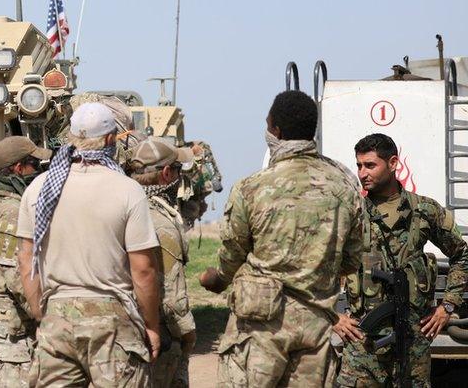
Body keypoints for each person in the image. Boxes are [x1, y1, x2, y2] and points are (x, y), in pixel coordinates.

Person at [199, 90, 363, 387]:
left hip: (261, 326)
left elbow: (233, 254)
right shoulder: (344, 183)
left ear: (276, 131)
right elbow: (351, 259)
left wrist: (217, 279)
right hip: (316, 325)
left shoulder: (252, 187)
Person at [16, 102, 162, 387]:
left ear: (71, 138)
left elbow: (26, 261)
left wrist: (41, 315)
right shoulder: (128, 191)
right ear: (110, 140)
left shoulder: (38, 189)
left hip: (57, 321)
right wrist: (152, 325)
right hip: (114, 323)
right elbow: (143, 270)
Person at [335, 133, 468, 387]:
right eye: (359, 165)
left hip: (412, 344)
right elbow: (315, 266)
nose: (362, 173)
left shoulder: (424, 211)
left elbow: (462, 254)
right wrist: (334, 317)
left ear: (394, 163)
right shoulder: (351, 213)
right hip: (363, 347)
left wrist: (448, 307)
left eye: (370, 165)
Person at [0, 136, 52, 387]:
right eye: (35, 165)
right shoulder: (9, 210)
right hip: (12, 337)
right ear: (19, 168)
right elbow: (19, 277)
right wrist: (49, 319)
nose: (39, 172)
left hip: (10, 333)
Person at [125, 138, 197, 388]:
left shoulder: (123, 207)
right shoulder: (160, 222)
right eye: (178, 170)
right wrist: (187, 333)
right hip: (160, 336)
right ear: (167, 174)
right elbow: (171, 293)